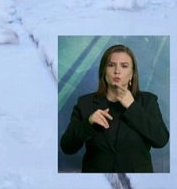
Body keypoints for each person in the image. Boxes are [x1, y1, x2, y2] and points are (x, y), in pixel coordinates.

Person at [60, 44, 169, 173]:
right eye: (111, 65)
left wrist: (132, 107)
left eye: (124, 66)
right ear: (103, 71)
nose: (117, 71)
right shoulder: (85, 103)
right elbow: (67, 147)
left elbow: (161, 140)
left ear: (132, 74)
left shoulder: (148, 101)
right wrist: (88, 123)